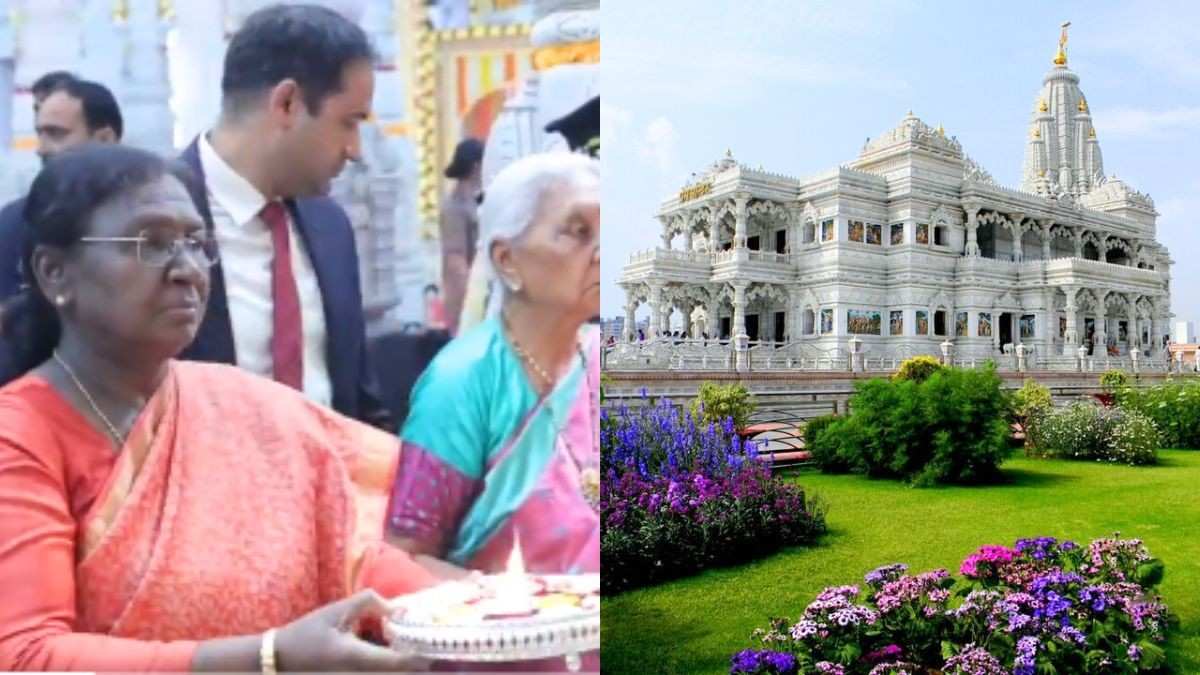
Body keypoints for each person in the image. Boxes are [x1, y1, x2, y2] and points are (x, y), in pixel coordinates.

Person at [0, 144, 439, 671]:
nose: (187, 269)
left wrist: (465, 615)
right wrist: (270, 657)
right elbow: (26, 657)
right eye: (151, 243)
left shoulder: (249, 409)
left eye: (195, 243)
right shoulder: (20, 435)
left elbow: (354, 555)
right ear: (54, 274)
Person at [177, 4, 392, 429]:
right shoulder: (149, 222)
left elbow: (358, 399)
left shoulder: (330, 228)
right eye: (349, 123)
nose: (355, 149)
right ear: (288, 103)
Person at [387, 152, 599, 573]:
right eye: (579, 232)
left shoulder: (602, 356)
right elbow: (403, 558)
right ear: (506, 260)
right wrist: (520, 610)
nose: (601, 252)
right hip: (513, 632)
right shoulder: (462, 381)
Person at [0, 77, 123, 304]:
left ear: (104, 139)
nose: (41, 149)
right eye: (40, 134)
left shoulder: (150, 216)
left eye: (56, 134)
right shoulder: (14, 222)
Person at [440, 138, 484, 336]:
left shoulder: (476, 200)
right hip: (466, 294)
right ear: (476, 166)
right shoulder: (454, 207)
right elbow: (455, 258)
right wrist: (472, 298)